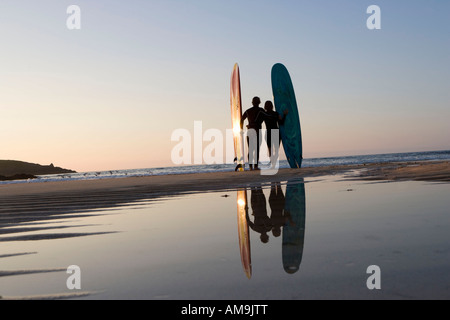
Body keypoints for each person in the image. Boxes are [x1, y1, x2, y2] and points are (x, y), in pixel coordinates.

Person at [240, 97, 267, 170]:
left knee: (251, 149)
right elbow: (268, 117)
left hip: (249, 131)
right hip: (257, 131)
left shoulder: (248, 111)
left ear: (252, 103)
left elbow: (242, 119)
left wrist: (241, 129)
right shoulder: (261, 110)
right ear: (259, 102)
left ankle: (250, 167)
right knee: (257, 149)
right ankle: (255, 166)